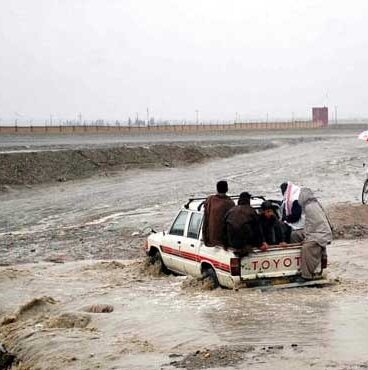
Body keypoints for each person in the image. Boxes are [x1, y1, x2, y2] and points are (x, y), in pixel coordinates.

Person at [297, 187, 332, 281]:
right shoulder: (315, 204)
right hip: (321, 233)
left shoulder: (309, 207)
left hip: (320, 234)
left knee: (306, 248)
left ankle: (307, 275)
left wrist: (306, 239)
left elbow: (311, 225)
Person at [202, 180, 235, 247]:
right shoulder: (230, 203)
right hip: (223, 240)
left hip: (210, 239)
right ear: (227, 189)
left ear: (217, 189)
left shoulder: (210, 200)